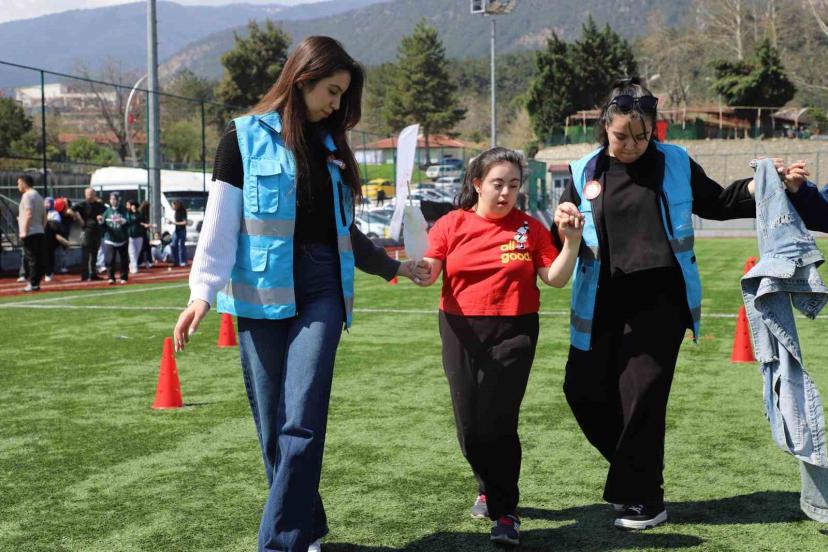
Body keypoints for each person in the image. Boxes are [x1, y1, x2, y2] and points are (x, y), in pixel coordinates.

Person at [173, 36, 430, 552]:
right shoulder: (241, 138)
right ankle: (305, 526)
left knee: (303, 420)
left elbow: (344, 231)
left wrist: (394, 267)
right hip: (260, 296)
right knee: (274, 426)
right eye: (332, 91)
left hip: (322, 291)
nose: (336, 104)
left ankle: (281, 543)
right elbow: (220, 222)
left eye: (342, 96)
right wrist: (202, 292)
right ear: (303, 78)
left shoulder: (332, 148)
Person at [557, 78, 818, 531]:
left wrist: (763, 185)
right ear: (605, 126)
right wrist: (563, 220)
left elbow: (717, 203)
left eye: (642, 136)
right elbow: (563, 228)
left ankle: (646, 498)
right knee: (581, 391)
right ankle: (634, 476)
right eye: (621, 136)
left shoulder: (675, 161)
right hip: (600, 302)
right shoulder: (584, 170)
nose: (632, 145)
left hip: (661, 303)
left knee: (642, 398)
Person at [417, 147, 583, 546]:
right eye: (497, 184)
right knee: (469, 426)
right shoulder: (450, 224)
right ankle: (486, 485)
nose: (506, 192)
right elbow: (429, 272)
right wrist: (414, 266)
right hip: (459, 329)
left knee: (499, 420)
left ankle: (506, 511)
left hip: (515, 329)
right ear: (477, 184)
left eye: (513, 184)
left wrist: (572, 242)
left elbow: (555, 278)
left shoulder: (529, 228)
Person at [16, 174, 47, 292]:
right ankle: (36, 283)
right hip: (39, 231)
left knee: (32, 259)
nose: (18, 186)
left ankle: (33, 284)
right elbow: (45, 216)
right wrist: (42, 228)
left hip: (30, 232)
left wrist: (24, 231)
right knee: (37, 259)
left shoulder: (27, 196)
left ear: (24, 183)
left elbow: (28, 214)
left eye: (19, 183)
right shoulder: (38, 196)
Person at [73, 187, 106, 281]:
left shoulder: (99, 205)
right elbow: (70, 210)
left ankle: (93, 274)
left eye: (91, 194)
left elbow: (107, 212)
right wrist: (79, 219)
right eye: (88, 194)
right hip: (86, 232)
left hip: (97, 231)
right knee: (85, 253)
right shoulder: (82, 204)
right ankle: (85, 275)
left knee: (94, 254)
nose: (89, 196)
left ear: (94, 195)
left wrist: (101, 217)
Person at [99, 192, 130, 284]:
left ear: (118, 200)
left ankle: (123, 277)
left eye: (114, 199)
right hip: (110, 239)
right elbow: (102, 223)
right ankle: (111, 277)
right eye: (111, 199)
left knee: (124, 260)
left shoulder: (123, 210)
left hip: (122, 238)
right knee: (110, 259)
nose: (113, 201)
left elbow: (128, 220)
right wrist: (100, 220)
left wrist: (122, 221)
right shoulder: (107, 211)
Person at [126, 200, 148, 274]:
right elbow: (128, 221)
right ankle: (135, 267)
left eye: (134, 205)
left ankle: (132, 264)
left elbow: (141, 221)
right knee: (132, 252)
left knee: (137, 252)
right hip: (131, 236)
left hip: (139, 235)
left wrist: (145, 225)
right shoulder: (128, 214)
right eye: (131, 205)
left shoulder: (139, 214)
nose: (133, 207)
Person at [170, 200, 188, 267]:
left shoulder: (182, 212)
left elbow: (185, 222)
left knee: (181, 246)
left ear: (176, 205)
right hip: (176, 230)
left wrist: (174, 223)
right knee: (173, 245)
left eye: (173, 205)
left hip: (182, 230)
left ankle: (183, 261)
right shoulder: (175, 212)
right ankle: (176, 261)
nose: (172, 207)